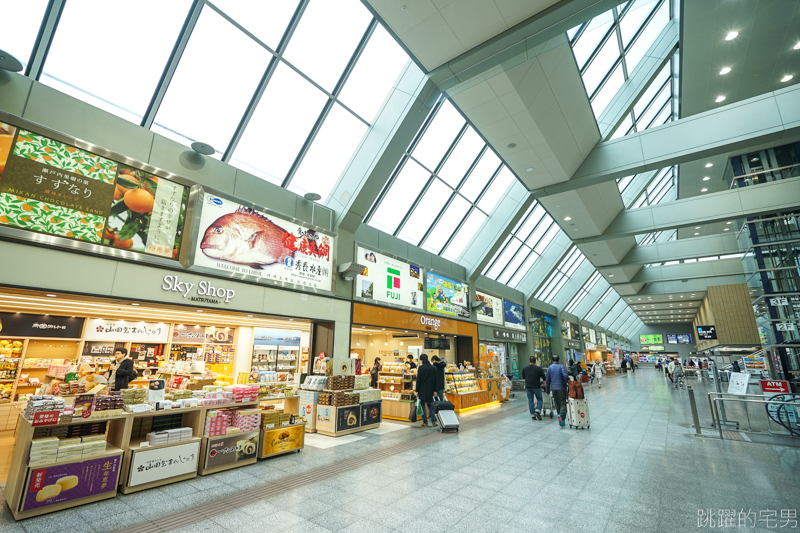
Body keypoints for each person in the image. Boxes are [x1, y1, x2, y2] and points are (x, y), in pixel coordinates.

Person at [545, 355, 570, 427]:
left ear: (552, 360)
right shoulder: (561, 366)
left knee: (557, 404)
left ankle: (561, 421)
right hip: (561, 388)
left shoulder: (549, 368)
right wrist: (568, 381)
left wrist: (547, 391)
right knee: (563, 402)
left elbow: (548, 380)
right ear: (558, 360)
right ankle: (561, 416)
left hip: (554, 389)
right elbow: (565, 376)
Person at [415, 354, 437, 427]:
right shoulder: (433, 368)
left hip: (422, 389)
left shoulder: (421, 368)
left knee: (422, 406)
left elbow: (418, 380)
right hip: (430, 389)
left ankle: (425, 422)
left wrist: (417, 390)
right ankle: (433, 421)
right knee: (430, 405)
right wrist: (435, 391)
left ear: (421, 360)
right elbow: (435, 381)